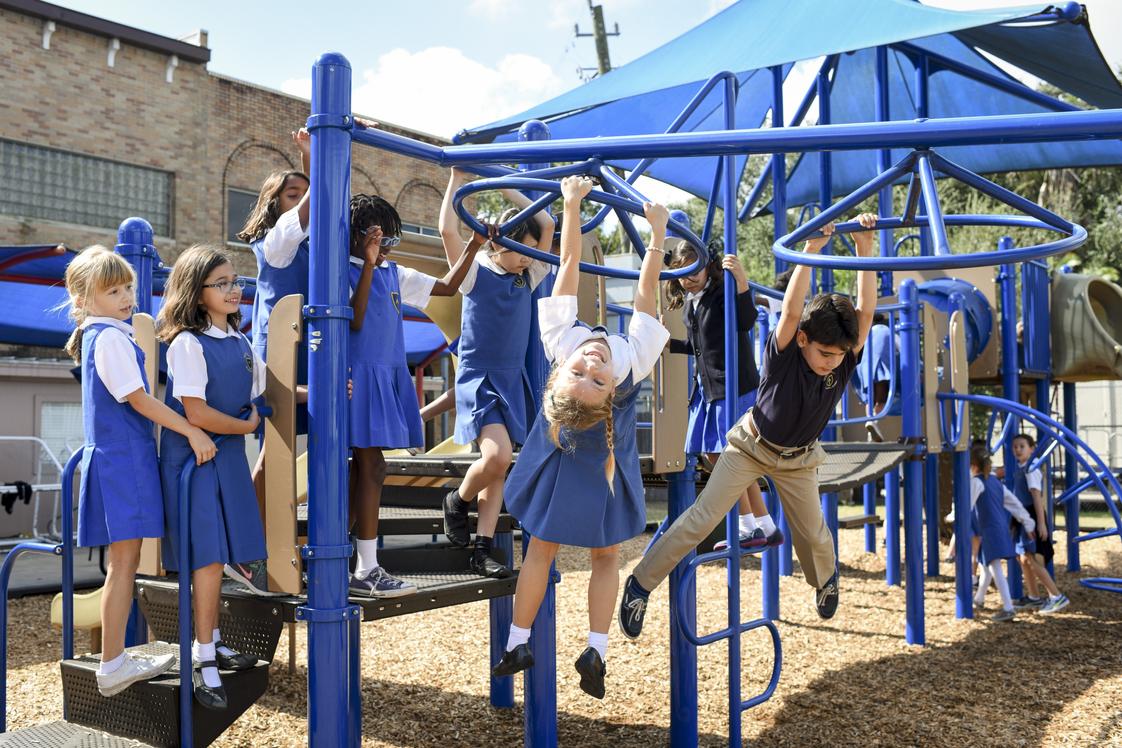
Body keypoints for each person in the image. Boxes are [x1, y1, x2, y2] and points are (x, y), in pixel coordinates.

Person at [618, 213, 881, 639]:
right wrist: (810, 252)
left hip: (798, 460)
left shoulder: (842, 362)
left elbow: (866, 312)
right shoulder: (783, 355)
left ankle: (825, 579)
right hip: (751, 447)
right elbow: (793, 309)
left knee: (813, 534)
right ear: (801, 340)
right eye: (824, 353)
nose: (831, 362)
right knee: (700, 518)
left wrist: (867, 250)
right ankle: (640, 584)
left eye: (838, 355)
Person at [492, 177, 670, 699]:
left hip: (564, 469)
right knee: (606, 556)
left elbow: (567, 269)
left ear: (557, 374)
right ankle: (595, 647)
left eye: (584, 375)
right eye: (596, 377)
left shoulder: (560, 341)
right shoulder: (631, 360)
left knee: (540, 553)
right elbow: (645, 296)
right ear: (613, 387)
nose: (592, 366)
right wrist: (655, 235)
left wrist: (571, 206)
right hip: (604, 474)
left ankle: (516, 641)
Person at [64, 247, 214, 697]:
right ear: (86, 299)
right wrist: (191, 430)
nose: (127, 296)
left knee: (122, 564)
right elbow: (139, 400)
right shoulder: (109, 338)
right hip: (124, 459)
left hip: (116, 456)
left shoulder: (103, 334)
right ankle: (112, 663)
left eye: (128, 286)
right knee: (124, 565)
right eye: (113, 291)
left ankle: (115, 658)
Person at [346, 193, 481, 598]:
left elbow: (448, 286)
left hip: (384, 375)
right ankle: (364, 566)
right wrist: (369, 263)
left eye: (389, 241)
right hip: (356, 378)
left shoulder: (393, 272)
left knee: (367, 470)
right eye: (376, 240)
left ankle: (356, 562)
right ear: (355, 238)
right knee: (368, 469)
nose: (383, 249)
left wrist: (473, 246)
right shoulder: (342, 270)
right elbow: (354, 317)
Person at [157, 245, 269, 709]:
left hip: (225, 459)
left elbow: (270, 389)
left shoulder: (240, 342)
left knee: (222, 555)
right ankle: (203, 659)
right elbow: (196, 411)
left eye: (235, 281)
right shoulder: (186, 343)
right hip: (194, 461)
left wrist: (323, 389)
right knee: (206, 558)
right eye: (221, 283)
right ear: (198, 293)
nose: (233, 289)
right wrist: (246, 426)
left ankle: (213, 642)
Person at [439, 169, 556, 578]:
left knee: (501, 466)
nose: (527, 258)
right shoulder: (475, 272)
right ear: (495, 242)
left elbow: (548, 224)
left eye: (530, 253)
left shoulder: (529, 275)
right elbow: (448, 230)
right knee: (498, 455)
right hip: (481, 377)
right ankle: (457, 498)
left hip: (511, 378)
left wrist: (506, 186)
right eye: (519, 251)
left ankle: (482, 548)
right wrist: (459, 180)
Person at [663, 239, 780, 551]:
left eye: (694, 269)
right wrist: (670, 344)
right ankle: (764, 524)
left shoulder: (720, 292)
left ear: (706, 265)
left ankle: (746, 525)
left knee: (725, 457)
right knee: (726, 457)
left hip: (733, 386)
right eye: (681, 272)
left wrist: (741, 279)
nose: (689, 278)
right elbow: (701, 346)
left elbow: (745, 321)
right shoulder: (691, 303)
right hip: (709, 388)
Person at [239, 128, 311, 526]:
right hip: (281, 351)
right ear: (274, 204)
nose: (300, 201)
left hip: (310, 347)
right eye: (291, 195)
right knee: (277, 447)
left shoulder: (312, 245)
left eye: (303, 192)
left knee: (318, 441)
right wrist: (315, 157)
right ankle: (249, 532)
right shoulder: (277, 240)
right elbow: (310, 205)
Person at [968, 445, 1036, 622]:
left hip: (990, 530)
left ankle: (1008, 607)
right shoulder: (994, 481)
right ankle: (979, 599)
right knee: (987, 566)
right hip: (998, 528)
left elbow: (966, 505)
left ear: (973, 465)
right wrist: (1028, 522)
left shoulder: (976, 482)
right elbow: (1013, 503)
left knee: (994, 567)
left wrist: (954, 516)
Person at [1009, 433, 1070, 614]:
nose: (1018, 449)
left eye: (1022, 446)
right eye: (1015, 446)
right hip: (1022, 516)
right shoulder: (1021, 468)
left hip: (1031, 516)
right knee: (1023, 559)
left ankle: (1057, 596)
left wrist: (1041, 524)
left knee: (1032, 558)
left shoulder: (1031, 469)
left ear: (1032, 449)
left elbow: (1037, 497)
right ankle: (1034, 597)